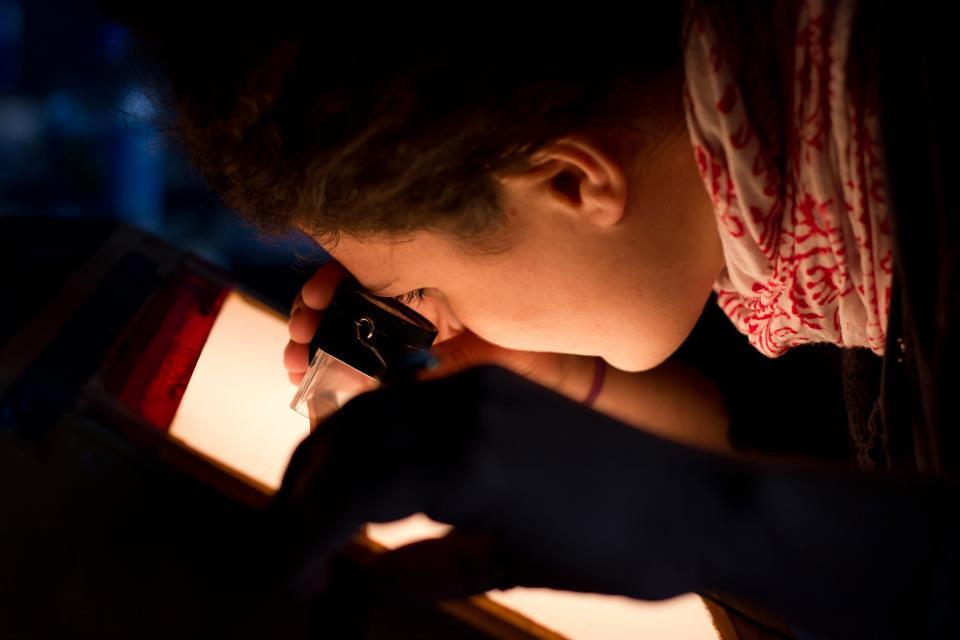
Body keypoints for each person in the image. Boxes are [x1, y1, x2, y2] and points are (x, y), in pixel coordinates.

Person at [110, 1, 959, 637]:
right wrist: (552, 380)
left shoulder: (925, 161)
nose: (433, 325)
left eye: (421, 289)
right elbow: (833, 480)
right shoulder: (816, 192)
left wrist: (703, 519)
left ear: (570, 182)